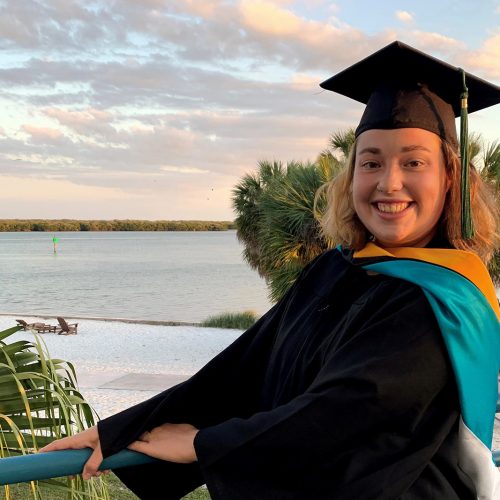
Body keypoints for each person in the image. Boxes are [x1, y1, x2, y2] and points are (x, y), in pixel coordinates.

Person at [41, 41, 500, 499]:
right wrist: (120, 431)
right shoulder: (335, 268)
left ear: (451, 179)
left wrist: (205, 445)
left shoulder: (445, 301)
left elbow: (349, 412)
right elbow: (241, 368)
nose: (388, 182)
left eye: (413, 162)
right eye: (371, 162)